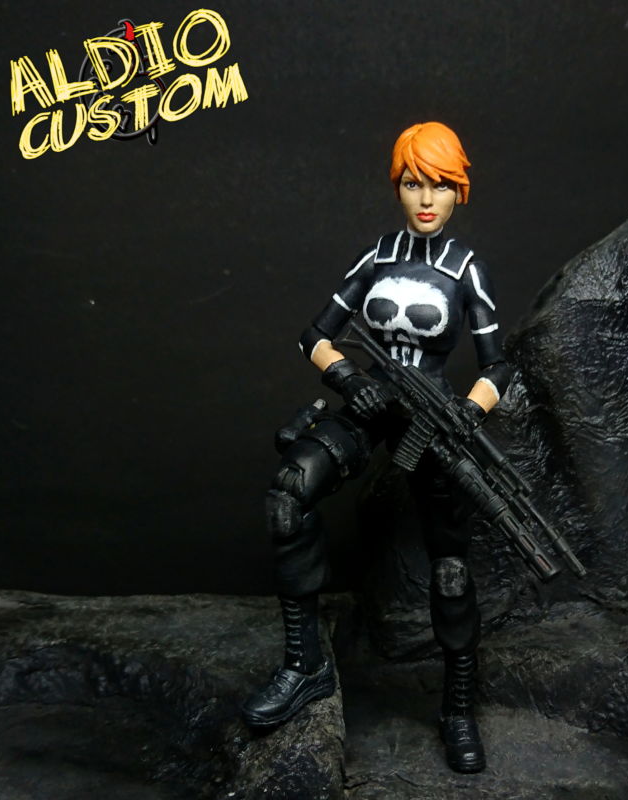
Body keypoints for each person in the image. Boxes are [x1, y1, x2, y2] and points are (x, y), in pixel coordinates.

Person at [242, 121, 511, 774]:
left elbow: (500, 366)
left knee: (450, 568)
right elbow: (314, 335)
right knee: (288, 496)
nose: (426, 198)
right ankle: (305, 667)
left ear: (458, 191)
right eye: (414, 183)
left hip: (432, 417)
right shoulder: (377, 257)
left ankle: (457, 707)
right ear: (398, 187)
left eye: (439, 185)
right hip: (371, 405)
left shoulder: (464, 269)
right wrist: (347, 379)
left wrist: (468, 412)